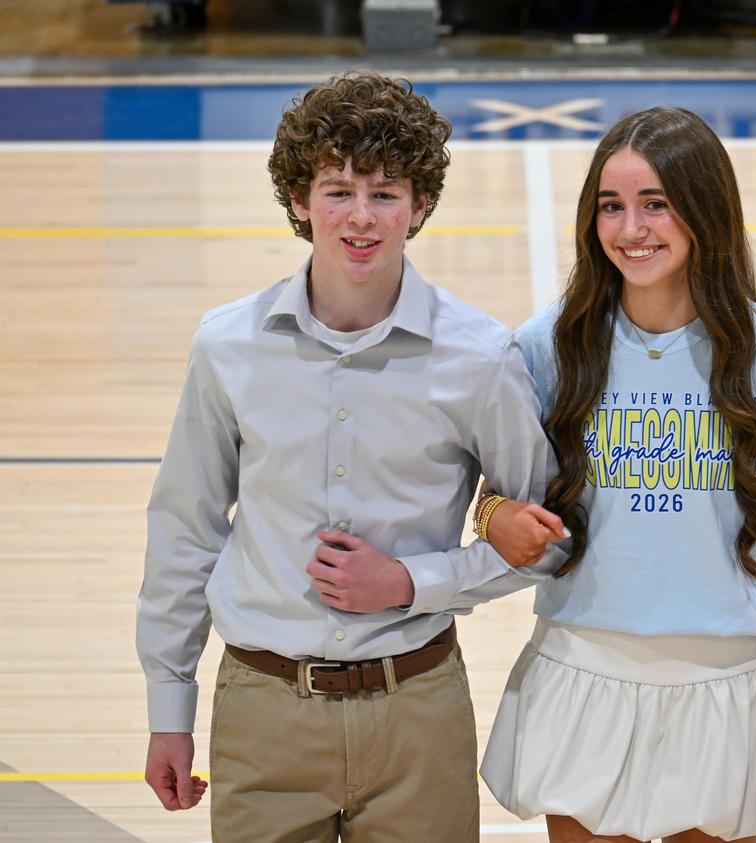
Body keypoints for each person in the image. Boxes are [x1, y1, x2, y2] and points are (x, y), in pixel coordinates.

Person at [136, 71, 565, 843]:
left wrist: (412, 581)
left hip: (418, 712)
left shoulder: (480, 356)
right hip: (261, 708)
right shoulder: (227, 345)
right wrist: (169, 706)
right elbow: (185, 529)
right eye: (337, 190)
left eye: (386, 192)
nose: (361, 218)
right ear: (298, 201)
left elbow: (543, 539)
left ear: (421, 205)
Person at [478, 106, 756, 843]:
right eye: (611, 206)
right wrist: (489, 513)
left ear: (705, 210)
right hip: (583, 672)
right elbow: (489, 491)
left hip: (728, 688)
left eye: (656, 203)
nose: (632, 229)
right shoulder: (544, 347)